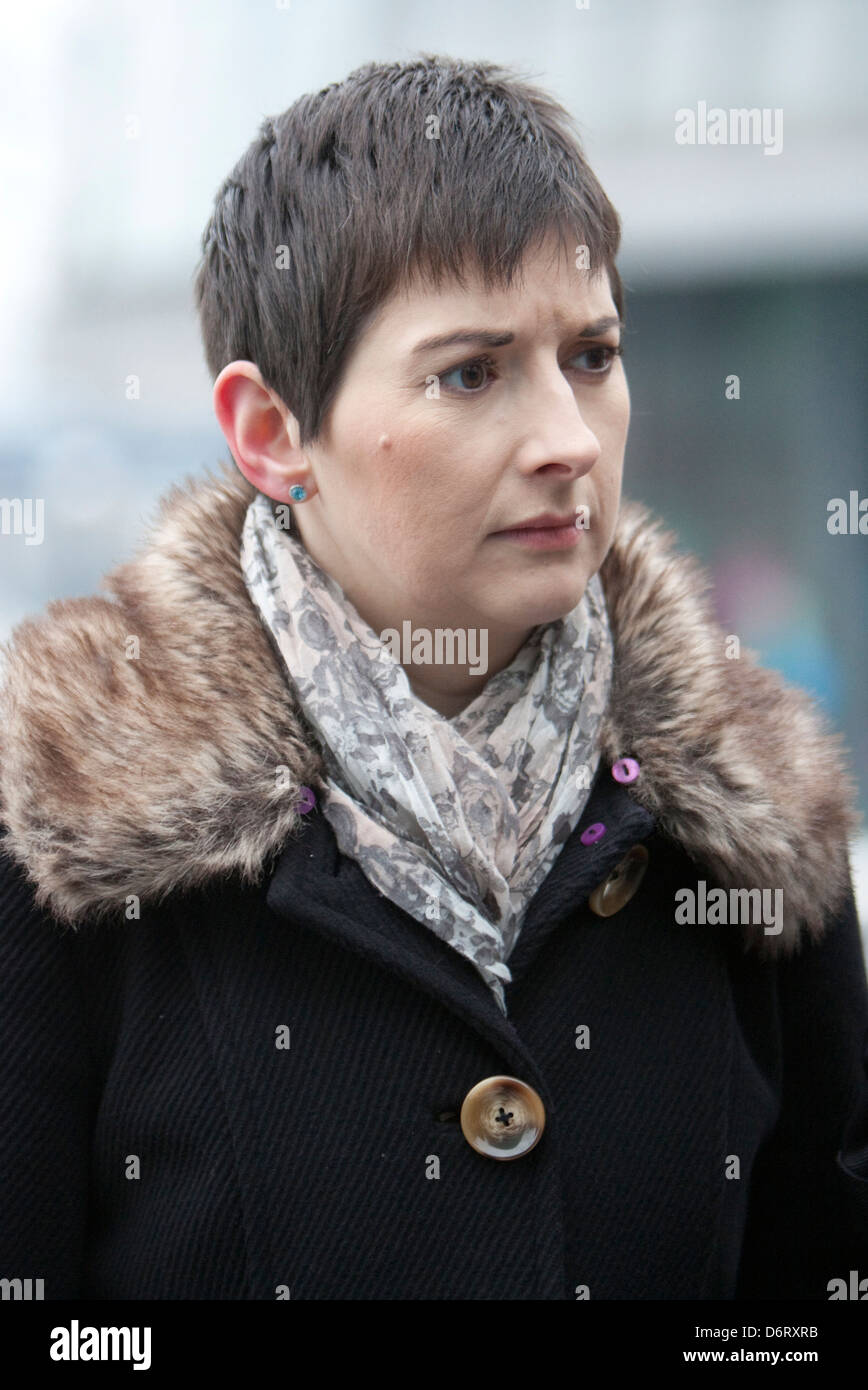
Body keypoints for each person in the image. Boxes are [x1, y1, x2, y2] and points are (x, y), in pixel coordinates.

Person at [1, 53, 866, 1302]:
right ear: (271, 430)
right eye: (471, 373)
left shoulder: (755, 830)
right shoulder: (71, 838)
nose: (568, 440)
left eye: (592, 355)